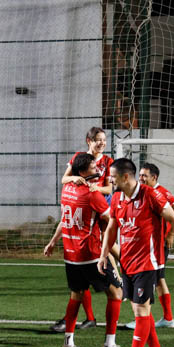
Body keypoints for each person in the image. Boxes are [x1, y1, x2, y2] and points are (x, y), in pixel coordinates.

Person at [98, 158, 174, 347]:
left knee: (141, 311)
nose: (109, 180)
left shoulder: (151, 195)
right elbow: (112, 227)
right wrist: (104, 255)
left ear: (125, 177)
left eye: (112, 176)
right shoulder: (116, 199)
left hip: (147, 264)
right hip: (128, 263)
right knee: (139, 309)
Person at [43, 153, 127, 347]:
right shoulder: (92, 195)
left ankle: (68, 343)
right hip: (91, 254)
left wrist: (53, 241)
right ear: (82, 172)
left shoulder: (67, 190)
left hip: (71, 255)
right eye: (92, 166)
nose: (97, 168)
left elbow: (64, 219)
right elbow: (111, 222)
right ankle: (109, 345)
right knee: (116, 294)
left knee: (76, 296)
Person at [49, 127, 113, 332]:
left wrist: (94, 188)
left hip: (98, 210)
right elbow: (65, 179)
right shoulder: (79, 158)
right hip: (83, 208)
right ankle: (89, 318)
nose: (102, 143)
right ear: (89, 141)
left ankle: (124, 272)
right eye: (98, 140)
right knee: (83, 271)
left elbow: (110, 189)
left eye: (104, 140)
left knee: (105, 250)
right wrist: (79, 181)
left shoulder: (107, 162)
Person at [124, 162, 174, 330]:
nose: (141, 178)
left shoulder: (159, 192)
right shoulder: (143, 191)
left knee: (152, 281)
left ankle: (145, 320)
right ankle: (166, 318)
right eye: (140, 175)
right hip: (150, 245)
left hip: (155, 246)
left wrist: (171, 234)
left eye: (145, 175)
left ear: (154, 177)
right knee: (159, 280)